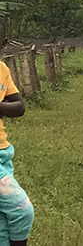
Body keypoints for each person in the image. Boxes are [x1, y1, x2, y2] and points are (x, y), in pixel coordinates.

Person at [0, 60, 32, 245]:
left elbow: (19, 107)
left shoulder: (2, 68)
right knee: (21, 209)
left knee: (3, 223)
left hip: (4, 152)